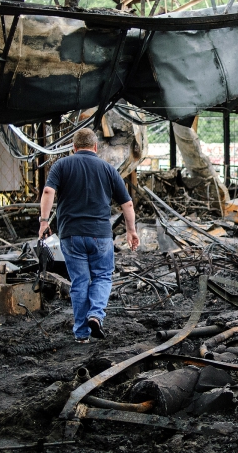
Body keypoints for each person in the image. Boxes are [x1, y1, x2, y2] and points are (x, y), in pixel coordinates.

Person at [38, 128, 140, 343]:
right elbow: (127, 203)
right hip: (100, 235)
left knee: (80, 281)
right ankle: (96, 314)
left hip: (70, 235)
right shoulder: (108, 169)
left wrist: (44, 221)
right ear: (96, 147)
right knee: (102, 276)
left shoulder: (62, 165)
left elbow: (48, 192)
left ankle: (82, 334)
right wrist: (131, 231)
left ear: (74, 148)